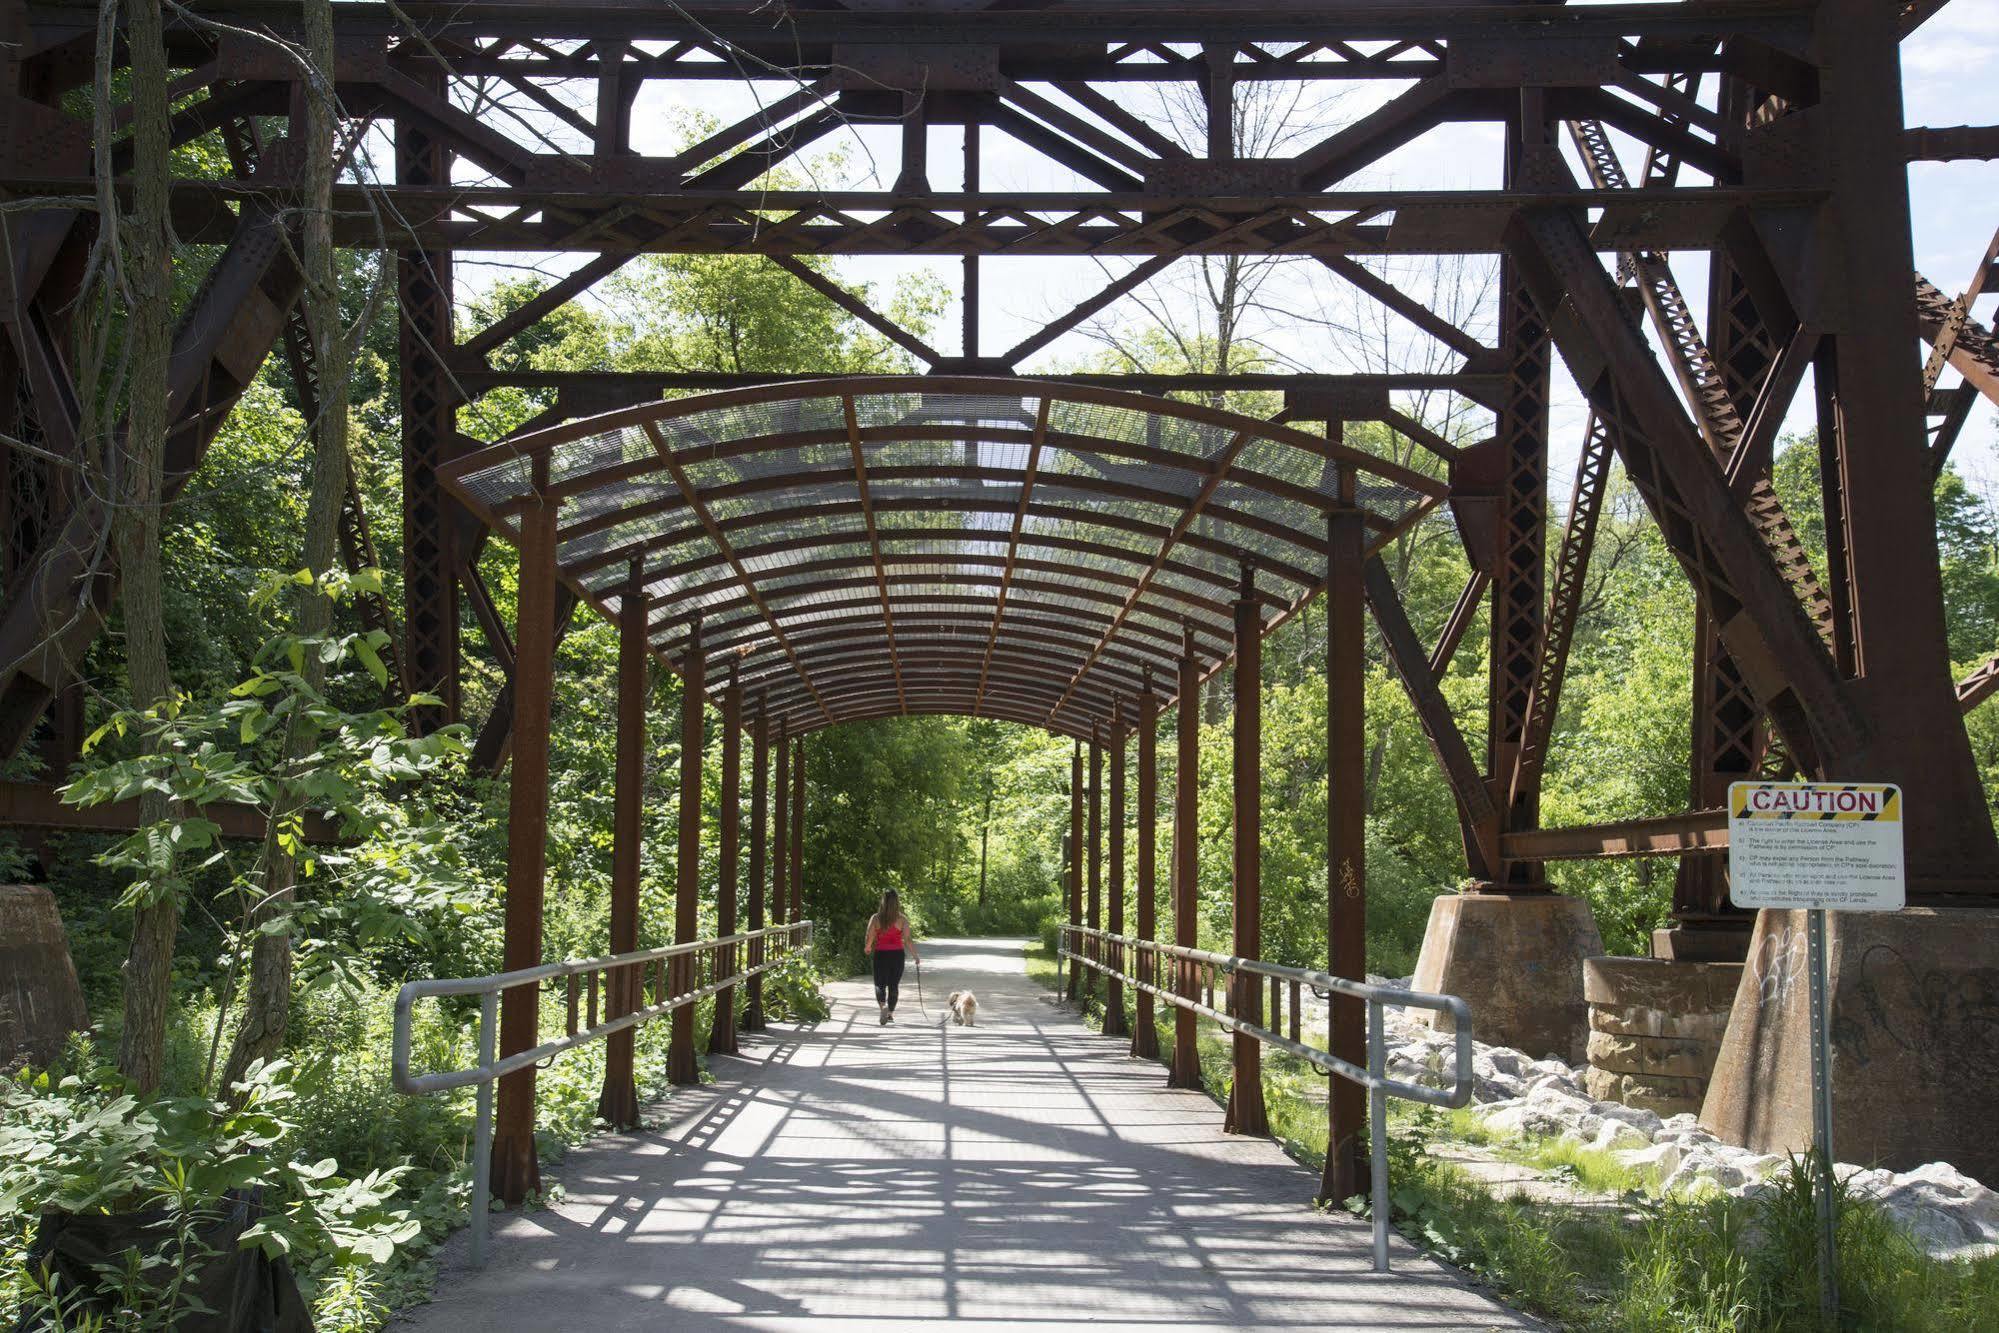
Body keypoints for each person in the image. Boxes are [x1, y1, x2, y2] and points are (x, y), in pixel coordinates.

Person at [863, 890, 918, 1025]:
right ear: (897, 902)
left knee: (879, 984)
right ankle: (890, 1014)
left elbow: (870, 935)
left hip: (881, 954)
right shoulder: (902, 919)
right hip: (897, 955)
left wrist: (868, 947)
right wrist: (915, 956)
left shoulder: (875, 918)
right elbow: (908, 940)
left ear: (883, 901)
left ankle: (883, 1007)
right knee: (894, 985)